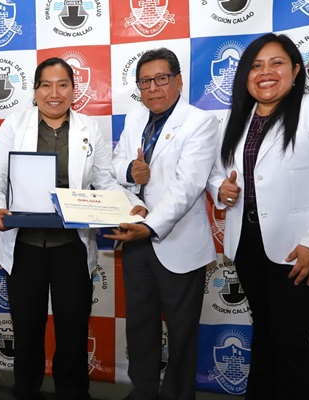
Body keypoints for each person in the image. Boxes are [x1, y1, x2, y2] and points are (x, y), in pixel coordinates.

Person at [206, 33, 309, 399]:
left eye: (276, 63)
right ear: (245, 76)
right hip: (247, 245)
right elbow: (216, 172)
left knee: (290, 339)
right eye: (256, 66)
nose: (266, 72)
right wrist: (220, 188)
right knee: (263, 331)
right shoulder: (236, 119)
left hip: (298, 250)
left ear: (295, 70)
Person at [0, 57, 146, 400]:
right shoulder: (14, 124)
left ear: (73, 90)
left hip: (71, 246)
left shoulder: (89, 129)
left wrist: (132, 205)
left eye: (62, 85)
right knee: (27, 329)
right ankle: (26, 392)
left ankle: (73, 393)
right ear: (35, 90)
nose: (53, 93)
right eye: (46, 85)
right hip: (24, 244)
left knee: (73, 330)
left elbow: (104, 181)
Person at [105, 48, 219, 400]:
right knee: (140, 325)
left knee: (182, 332)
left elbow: (188, 186)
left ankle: (177, 395)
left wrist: (150, 225)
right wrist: (131, 174)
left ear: (178, 80)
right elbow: (116, 165)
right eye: (145, 81)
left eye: (161, 79)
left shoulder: (200, 122)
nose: (153, 88)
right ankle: (143, 391)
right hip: (135, 236)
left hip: (178, 241)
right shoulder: (135, 118)